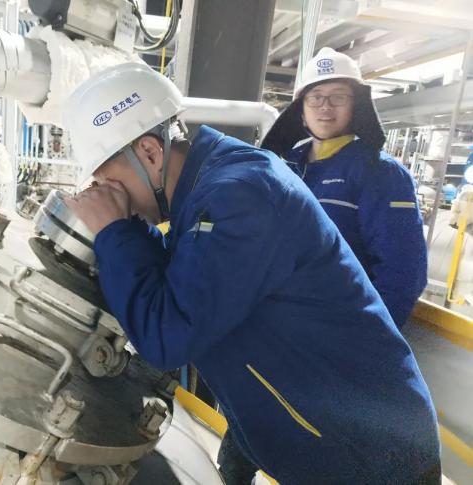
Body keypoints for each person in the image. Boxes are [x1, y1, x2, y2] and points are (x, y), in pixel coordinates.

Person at [63, 63, 440, 484]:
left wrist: (115, 231)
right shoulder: (208, 189)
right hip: (326, 433)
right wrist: (124, 229)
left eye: (109, 181)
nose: (111, 194)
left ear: (150, 151)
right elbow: (182, 283)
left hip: (369, 457)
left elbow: (168, 337)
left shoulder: (239, 195)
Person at [262, 47, 427, 330]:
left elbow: (403, 273)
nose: (325, 107)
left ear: (357, 105)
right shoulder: (284, 166)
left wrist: (367, 337)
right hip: (282, 324)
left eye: (338, 97)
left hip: (337, 328)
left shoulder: (380, 174)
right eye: (315, 97)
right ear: (301, 107)